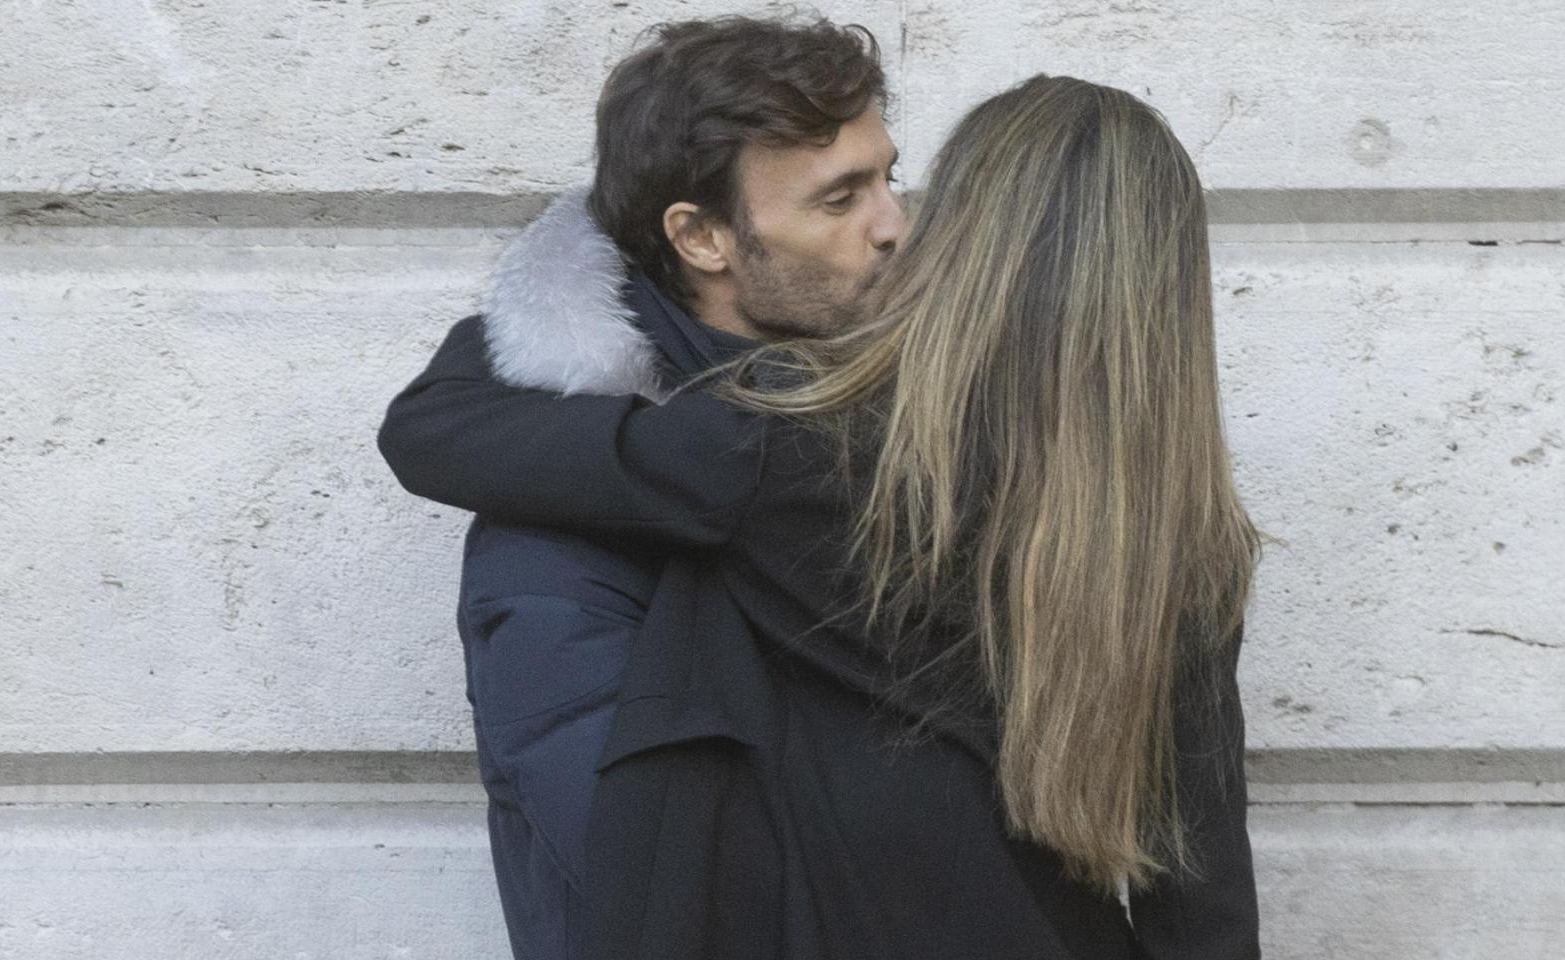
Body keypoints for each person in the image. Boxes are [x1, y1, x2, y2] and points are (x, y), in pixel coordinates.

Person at [381, 74, 1264, 959]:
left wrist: (565, 270)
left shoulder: (791, 442)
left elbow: (440, 432)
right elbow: (1201, 886)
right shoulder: (1187, 540)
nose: (894, 226)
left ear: (966, 237)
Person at [403, 15, 903, 960]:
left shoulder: (898, 424)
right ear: (704, 237)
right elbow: (660, 878)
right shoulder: (559, 534)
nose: (893, 227)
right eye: (840, 200)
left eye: (888, 176)